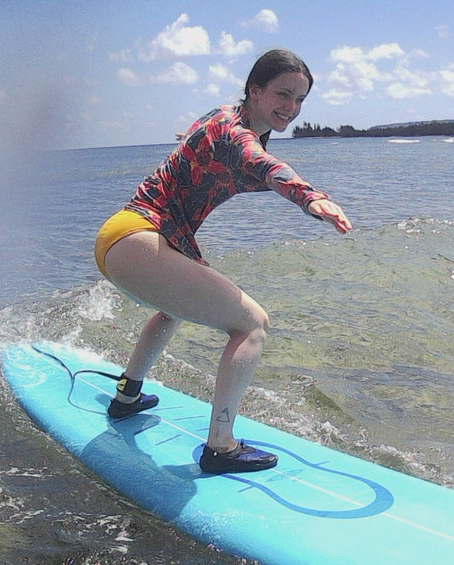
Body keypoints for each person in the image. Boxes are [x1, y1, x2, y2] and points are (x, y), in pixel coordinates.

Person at [93, 49, 352, 475]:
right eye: (282, 94)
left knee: (174, 309)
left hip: (128, 238)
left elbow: (212, 137)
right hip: (138, 237)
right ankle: (220, 446)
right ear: (255, 90)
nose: (291, 107)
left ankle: (127, 395)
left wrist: (191, 138)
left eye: (300, 99)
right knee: (253, 324)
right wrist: (310, 198)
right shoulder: (237, 135)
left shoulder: (223, 118)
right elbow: (264, 165)